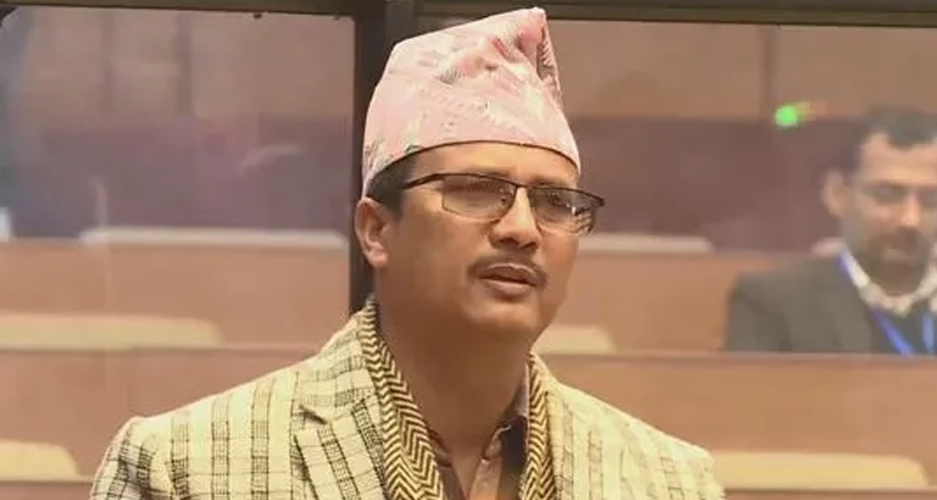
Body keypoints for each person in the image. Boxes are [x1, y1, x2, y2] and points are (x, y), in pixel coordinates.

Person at [91, 8, 724, 500]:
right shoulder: (186, 468)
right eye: (477, 190)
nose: (522, 229)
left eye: (555, 202)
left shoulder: (667, 480)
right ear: (377, 231)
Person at [723, 107, 937, 354]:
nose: (910, 220)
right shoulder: (775, 303)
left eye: (931, 199)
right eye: (887, 195)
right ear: (837, 194)